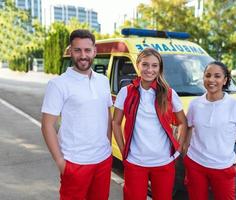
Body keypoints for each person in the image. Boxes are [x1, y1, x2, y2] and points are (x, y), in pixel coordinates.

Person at [41, 29, 113, 200]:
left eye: (87, 50)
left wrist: (108, 147)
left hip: (102, 160)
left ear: (94, 51)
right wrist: (60, 162)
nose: (83, 55)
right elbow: (47, 125)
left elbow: (107, 116)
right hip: (75, 162)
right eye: (77, 50)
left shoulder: (103, 81)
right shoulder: (58, 84)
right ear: (70, 51)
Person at [112, 48, 187, 200]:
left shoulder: (169, 93)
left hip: (164, 162)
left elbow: (183, 122)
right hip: (135, 162)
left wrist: (178, 149)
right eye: (145, 65)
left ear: (159, 68)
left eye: (154, 66)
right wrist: (123, 151)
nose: (149, 70)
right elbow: (115, 122)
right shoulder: (125, 92)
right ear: (138, 65)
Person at [183, 61, 236, 200]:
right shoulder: (195, 104)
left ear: (225, 80)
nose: (211, 80)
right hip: (195, 164)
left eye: (217, 76)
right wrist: (186, 153)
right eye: (208, 75)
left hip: (223, 167)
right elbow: (188, 128)